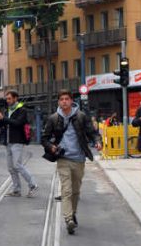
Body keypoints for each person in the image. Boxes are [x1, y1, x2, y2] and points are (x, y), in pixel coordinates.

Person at [43, 90, 103, 235]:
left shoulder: (81, 116)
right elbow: (44, 138)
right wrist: (51, 146)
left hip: (79, 159)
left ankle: (73, 212)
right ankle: (68, 219)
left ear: (71, 101)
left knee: (75, 191)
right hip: (63, 158)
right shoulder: (54, 118)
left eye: (67, 99)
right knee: (66, 190)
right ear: (59, 102)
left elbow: (92, 133)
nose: (64, 101)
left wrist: (97, 141)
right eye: (61, 99)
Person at [0, 90, 38, 197]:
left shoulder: (22, 110)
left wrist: (3, 118)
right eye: (6, 99)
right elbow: (2, 125)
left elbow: (18, 123)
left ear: (15, 98)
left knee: (17, 165)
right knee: (10, 167)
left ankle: (33, 184)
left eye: (9, 98)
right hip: (8, 141)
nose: (7, 101)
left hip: (17, 141)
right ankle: (16, 190)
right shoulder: (7, 110)